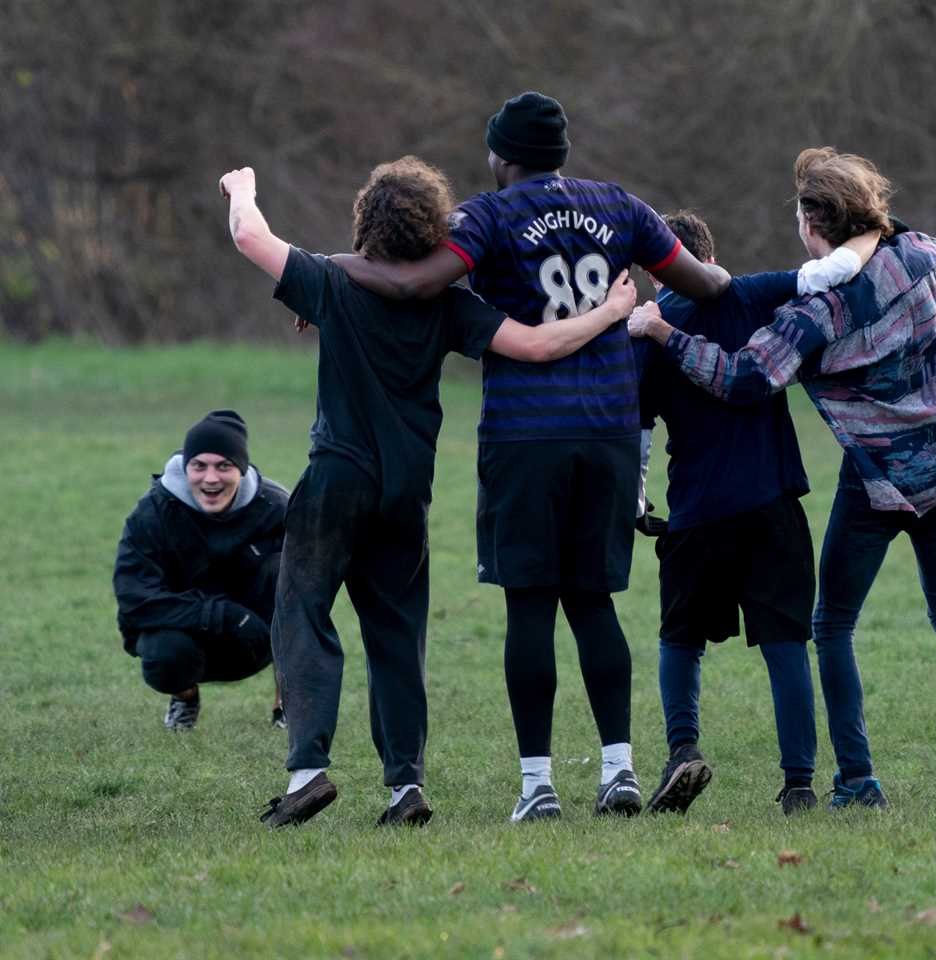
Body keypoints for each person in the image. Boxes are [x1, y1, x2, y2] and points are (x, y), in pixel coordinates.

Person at [333, 92, 733, 822]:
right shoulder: (621, 206)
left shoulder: (487, 216)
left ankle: (537, 786)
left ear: (499, 156)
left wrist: (324, 268)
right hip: (610, 429)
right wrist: (735, 285)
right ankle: (620, 772)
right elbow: (702, 282)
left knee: (529, 606)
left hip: (526, 435)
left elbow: (417, 280)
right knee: (593, 602)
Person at [219, 156, 639, 828]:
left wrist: (243, 188)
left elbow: (249, 237)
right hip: (407, 491)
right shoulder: (452, 306)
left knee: (301, 612)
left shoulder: (331, 283)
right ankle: (404, 789)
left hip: (338, 477)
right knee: (397, 637)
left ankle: (308, 770)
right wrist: (613, 310)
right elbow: (534, 346)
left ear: (365, 228)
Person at [630, 147, 936, 810]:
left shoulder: (816, 315)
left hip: (876, 482)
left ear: (815, 227)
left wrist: (666, 334)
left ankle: (860, 784)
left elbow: (743, 378)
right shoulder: (923, 256)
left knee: (834, 625)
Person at [634, 211, 875, 816]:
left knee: (680, 639)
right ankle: (798, 781)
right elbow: (830, 276)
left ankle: (682, 749)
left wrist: (634, 499)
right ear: (707, 256)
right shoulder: (752, 293)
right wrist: (873, 231)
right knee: (786, 643)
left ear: (654, 266)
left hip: (696, 507)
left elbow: (634, 427)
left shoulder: (648, 330)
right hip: (770, 501)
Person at [114, 409, 288, 730]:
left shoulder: (275, 507)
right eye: (199, 466)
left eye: (224, 466)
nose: (210, 478)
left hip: (257, 640)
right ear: (185, 467)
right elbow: (134, 600)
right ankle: (184, 696)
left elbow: (319, 583)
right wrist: (221, 615)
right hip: (184, 638)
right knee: (162, 652)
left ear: (242, 469)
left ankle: (287, 703)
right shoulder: (152, 513)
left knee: (291, 576)